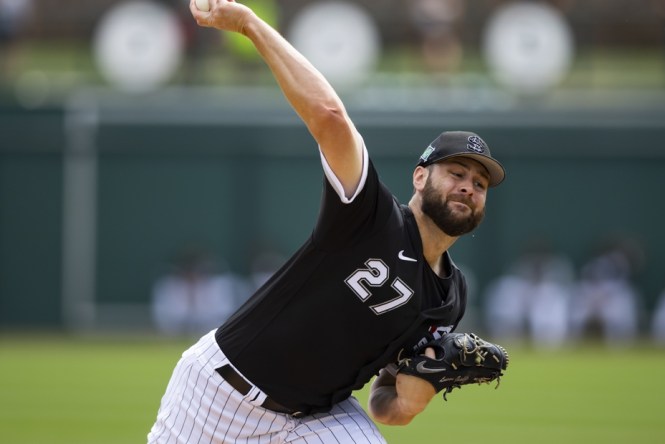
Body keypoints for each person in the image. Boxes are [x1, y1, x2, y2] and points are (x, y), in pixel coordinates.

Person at [148, 1, 506, 442]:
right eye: (456, 173)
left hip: (318, 416)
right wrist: (248, 24)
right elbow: (330, 118)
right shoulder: (368, 215)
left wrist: (414, 399)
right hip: (219, 393)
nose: (469, 187)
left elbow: (384, 404)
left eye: (480, 183)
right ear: (419, 176)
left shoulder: (450, 298)